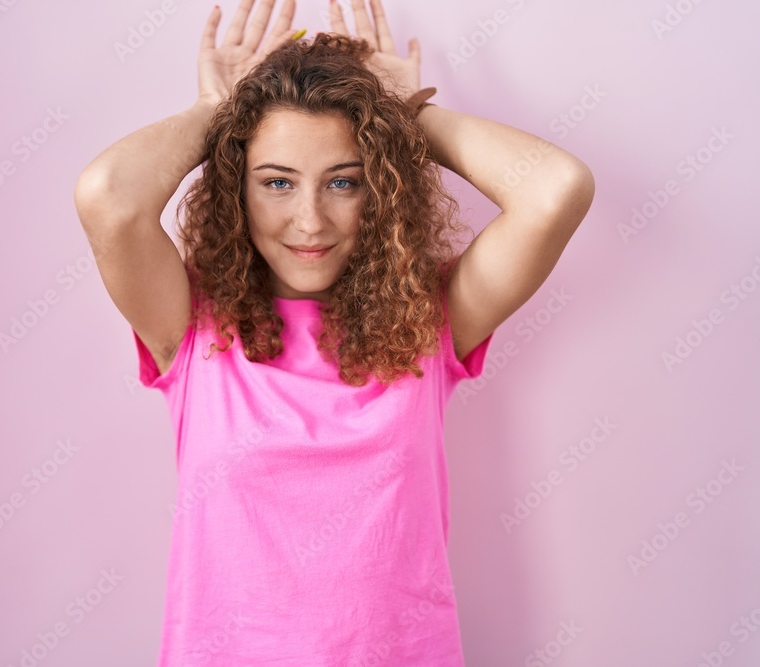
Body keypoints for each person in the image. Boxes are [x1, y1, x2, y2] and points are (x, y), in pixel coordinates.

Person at [73, 0, 594, 664]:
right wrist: (218, 113)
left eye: (343, 181)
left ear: (378, 186)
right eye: (277, 182)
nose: (310, 220)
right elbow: (106, 197)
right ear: (237, 185)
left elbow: (556, 188)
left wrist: (408, 116)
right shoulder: (191, 325)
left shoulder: (430, 321)